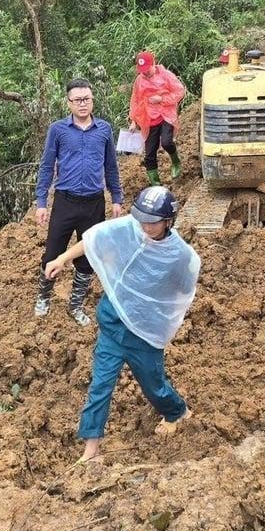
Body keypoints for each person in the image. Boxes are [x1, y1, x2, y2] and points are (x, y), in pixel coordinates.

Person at [44, 186, 200, 462]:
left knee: (154, 385)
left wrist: (156, 308)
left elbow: (182, 291)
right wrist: (62, 258)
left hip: (144, 335)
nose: (145, 226)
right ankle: (91, 451)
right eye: (142, 219)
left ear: (168, 222)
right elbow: (94, 240)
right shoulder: (130, 229)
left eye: (153, 222)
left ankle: (177, 411)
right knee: (100, 386)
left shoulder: (179, 256)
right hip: (113, 327)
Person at [34, 78, 123, 326]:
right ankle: (44, 297)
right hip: (65, 202)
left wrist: (116, 198)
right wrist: (41, 201)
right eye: (77, 100)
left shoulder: (104, 130)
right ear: (69, 102)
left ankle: (75, 304)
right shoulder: (58, 130)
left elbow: (111, 166)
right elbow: (47, 165)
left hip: (94, 203)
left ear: (93, 100)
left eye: (87, 99)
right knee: (53, 250)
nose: (83, 104)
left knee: (89, 255)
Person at [129, 51, 186, 186]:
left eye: (147, 69)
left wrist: (161, 99)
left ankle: (176, 161)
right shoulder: (139, 81)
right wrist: (133, 121)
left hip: (165, 114)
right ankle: (156, 184)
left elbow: (179, 91)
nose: (145, 73)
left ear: (153, 63)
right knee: (149, 154)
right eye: (142, 71)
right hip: (149, 118)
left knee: (167, 142)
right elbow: (135, 100)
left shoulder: (166, 75)